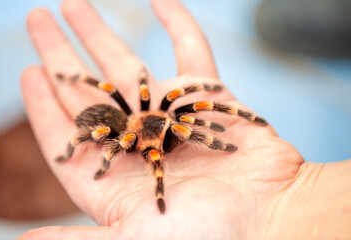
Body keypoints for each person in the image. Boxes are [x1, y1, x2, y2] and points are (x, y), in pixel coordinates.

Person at [18, 0, 351, 239]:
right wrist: (111, 165)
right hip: (120, 127)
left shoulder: (164, 114)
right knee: (107, 120)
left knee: (181, 105)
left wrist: (210, 96)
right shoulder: (140, 140)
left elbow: (183, 102)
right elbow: (123, 140)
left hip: (136, 121)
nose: (181, 129)